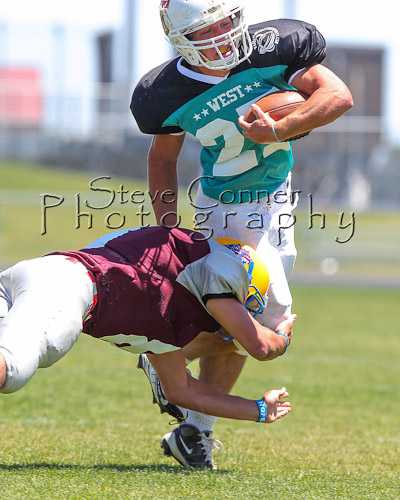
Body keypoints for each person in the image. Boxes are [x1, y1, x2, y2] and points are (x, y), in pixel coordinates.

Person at [130, 0, 353, 467]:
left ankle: (193, 430)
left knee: (245, 319)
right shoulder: (165, 91)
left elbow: (337, 96)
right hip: (227, 210)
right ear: (181, 40)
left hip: (278, 200)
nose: (222, 36)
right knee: (266, 323)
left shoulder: (274, 46)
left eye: (226, 21)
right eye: (206, 30)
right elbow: (162, 159)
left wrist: (281, 128)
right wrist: (167, 231)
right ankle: (169, 356)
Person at [0, 226, 295, 469]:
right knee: (13, 367)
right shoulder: (218, 270)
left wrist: (257, 409)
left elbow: (181, 391)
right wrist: (282, 336)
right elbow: (260, 346)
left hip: (34, 272)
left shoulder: (168, 306)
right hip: (65, 292)